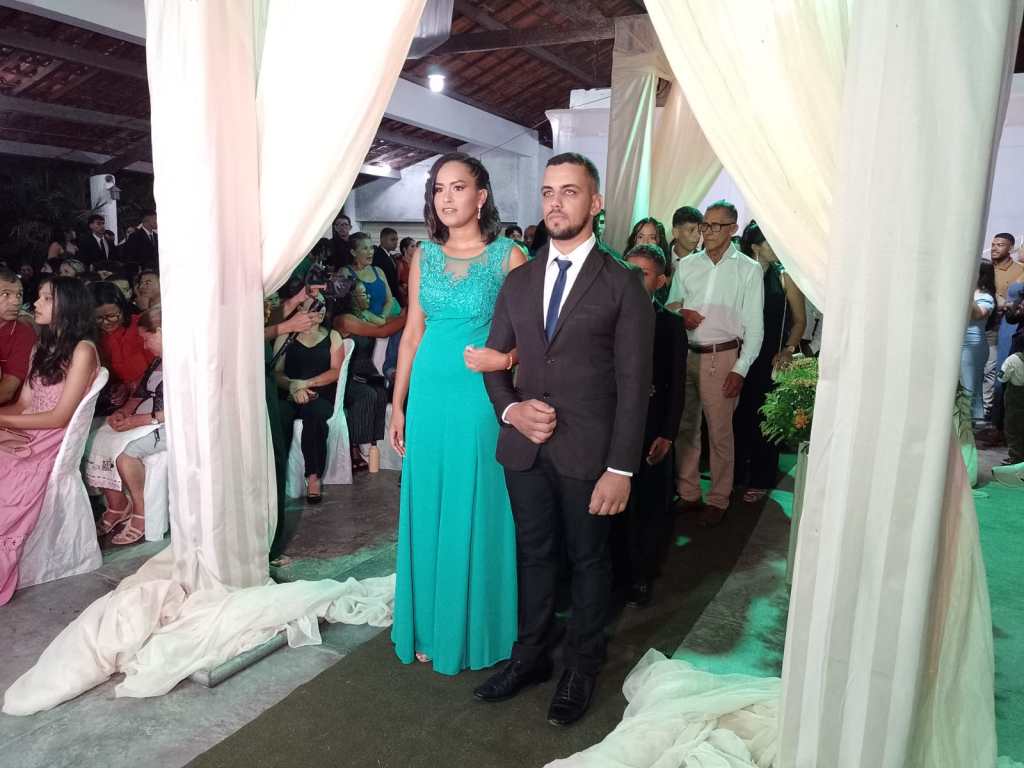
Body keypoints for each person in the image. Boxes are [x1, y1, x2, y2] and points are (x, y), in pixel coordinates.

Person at [476, 153, 654, 727]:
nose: (555, 202)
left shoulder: (624, 284)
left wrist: (621, 468)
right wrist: (511, 411)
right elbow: (496, 363)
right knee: (534, 555)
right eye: (548, 192)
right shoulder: (520, 280)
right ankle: (529, 657)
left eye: (570, 191)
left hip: (591, 455)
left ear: (595, 204)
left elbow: (635, 385)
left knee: (589, 561)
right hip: (524, 451)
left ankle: (581, 666)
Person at [388, 151, 526, 676]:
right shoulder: (423, 255)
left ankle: (475, 628)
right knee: (427, 504)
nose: (446, 198)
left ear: (481, 196)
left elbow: (536, 339)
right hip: (427, 395)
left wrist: (506, 360)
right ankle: (428, 626)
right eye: (439, 189)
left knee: (476, 503)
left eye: (458, 187)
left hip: (479, 398)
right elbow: (411, 335)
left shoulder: (509, 256)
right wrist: (397, 405)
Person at [0, 276, 99, 606]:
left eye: (46, 298)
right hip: (30, 428)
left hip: (50, 440)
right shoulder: (41, 347)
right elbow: (24, 404)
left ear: (67, 305)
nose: (35, 304)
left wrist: (2, 421)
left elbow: (59, 417)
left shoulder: (83, 350)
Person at [666, 201, 764, 526]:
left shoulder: (748, 269)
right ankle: (689, 492)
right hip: (685, 353)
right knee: (685, 427)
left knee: (720, 433)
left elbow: (755, 327)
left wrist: (740, 368)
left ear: (733, 229)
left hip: (722, 356)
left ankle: (719, 498)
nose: (706, 231)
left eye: (715, 226)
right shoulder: (688, 265)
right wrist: (681, 313)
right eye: (704, 225)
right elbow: (671, 306)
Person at [616, 244, 686, 608]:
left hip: (651, 425)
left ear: (660, 281)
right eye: (627, 270)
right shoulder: (606, 316)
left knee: (648, 504)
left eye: (641, 273)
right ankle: (614, 574)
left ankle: (641, 574)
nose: (632, 279)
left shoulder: (670, 325)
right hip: (612, 424)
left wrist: (668, 434)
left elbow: (677, 385)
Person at [733, 222, 806, 501]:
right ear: (755, 246)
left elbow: (799, 321)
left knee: (765, 418)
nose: (775, 247)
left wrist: (788, 350)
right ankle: (734, 475)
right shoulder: (739, 273)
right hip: (739, 354)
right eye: (769, 242)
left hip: (770, 357)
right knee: (738, 416)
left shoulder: (785, 277)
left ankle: (762, 478)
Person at [92, 305, 166, 545]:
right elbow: (139, 394)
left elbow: (181, 409)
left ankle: (142, 512)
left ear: (162, 332)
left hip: (169, 424)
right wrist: (123, 412)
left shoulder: (187, 363)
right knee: (97, 439)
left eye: (147, 339)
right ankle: (117, 505)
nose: (144, 346)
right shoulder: (157, 362)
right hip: (147, 416)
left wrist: (139, 420)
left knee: (126, 455)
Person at [273, 300, 345, 504]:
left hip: (320, 394)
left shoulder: (332, 336)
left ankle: (313, 477)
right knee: (279, 413)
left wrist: (306, 383)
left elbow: (335, 371)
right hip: (291, 394)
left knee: (315, 415)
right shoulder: (286, 336)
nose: (320, 309)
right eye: (313, 305)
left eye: (322, 304)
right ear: (300, 309)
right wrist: (293, 386)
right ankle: (275, 477)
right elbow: (276, 372)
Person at [334, 282, 401, 471]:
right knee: (366, 395)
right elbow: (382, 331)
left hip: (365, 372)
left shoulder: (364, 315)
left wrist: (405, 316)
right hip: (348, 375)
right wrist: (409, 316)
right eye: (363, 294)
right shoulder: (345, 320)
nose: (369, 297)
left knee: (380, 393)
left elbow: (386, 322)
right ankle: (353, 448)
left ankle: (373, 446)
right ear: (352, 298)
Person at [91, 281, 155, 416]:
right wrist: (116, 389)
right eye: (98, 318)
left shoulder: (142, 326)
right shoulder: (92, 337)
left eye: (112, 316)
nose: (106, 322)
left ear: (123, 309)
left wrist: (131, 386)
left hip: (151, 396)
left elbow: (159, 368)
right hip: (115, 407)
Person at [983, 233, 1024, 419]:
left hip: (1005, 327)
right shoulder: (983, 267)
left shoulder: (1019, 270)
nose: (994, 248)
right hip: (982, 325)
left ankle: (992, 417)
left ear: (1010, 248)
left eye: (1000, 245)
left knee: (997, 372)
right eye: (993, 244)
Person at [962, 263, 997, 423]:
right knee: (964, 384)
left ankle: (966, 422)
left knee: (968, 384)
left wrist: (966, 293)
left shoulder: (986, 297)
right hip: (961, 343)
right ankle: (971, 420)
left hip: (972, 345)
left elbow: (979, 315)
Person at [0, 267, 36, 407]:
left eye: (19, 295)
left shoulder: (23, 334)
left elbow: (7, 391)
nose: (16, 302)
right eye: (6, 294)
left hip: (9, 410)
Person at [349, 233, 397, 322]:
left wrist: (382, 317)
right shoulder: (345, 273)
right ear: (353, 252)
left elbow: (389, 300)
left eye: (371, 248)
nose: (370, 252)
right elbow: (350, 307)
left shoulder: (378, 271)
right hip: (362, 325)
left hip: (384, 322)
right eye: (365, 248)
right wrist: (376, 321)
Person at [669, 206, 703, 275]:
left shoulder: (704, 262)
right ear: (675, 232)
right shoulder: (659, 259)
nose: (697, 236)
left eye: (699, 231)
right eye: (691, 230)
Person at [373, 227, 402, 301]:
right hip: (384, 297)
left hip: (393, 296)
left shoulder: (391, 256)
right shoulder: (377, 257)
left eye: (396, 240)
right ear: (382, 240)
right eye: (392, 240)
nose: (396, 242)